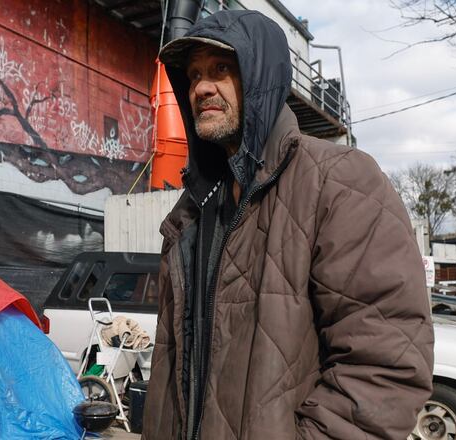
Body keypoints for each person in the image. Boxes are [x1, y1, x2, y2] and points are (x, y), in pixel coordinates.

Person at [141, 10, 434, 440]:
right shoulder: (193, 210)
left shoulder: (339, 180)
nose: (201, 86)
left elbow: (385, 368)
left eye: (222, 68)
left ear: (261, 78)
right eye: (194, 74)